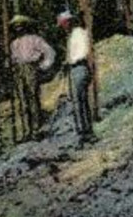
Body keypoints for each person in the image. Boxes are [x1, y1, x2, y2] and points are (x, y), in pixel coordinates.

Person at [7, 15, 55, 142]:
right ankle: (26, 131)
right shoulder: (14, 44)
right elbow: (14, 58)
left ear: (25, 26)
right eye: (16, 27)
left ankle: (36, 130)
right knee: (22, 101)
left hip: (30, 68)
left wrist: (43, 66)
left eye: (21, 26)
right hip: (18, 71)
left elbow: (49, 51)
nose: (18, 29)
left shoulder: (35, 39)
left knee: (33, 98)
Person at [57, 10, 96, 143]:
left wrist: (70, 61)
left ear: (68, 22)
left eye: (63, 24)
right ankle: (84, 130)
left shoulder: (78, 33)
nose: (63, 28)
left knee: (79, 101)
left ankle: (84, 132)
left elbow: (81, 53)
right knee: (79, 101)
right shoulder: (73, 35)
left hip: (79, 67)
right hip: (76, 67)